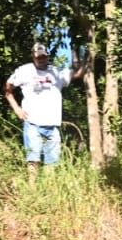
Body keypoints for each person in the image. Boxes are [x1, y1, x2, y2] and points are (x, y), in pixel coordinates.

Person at [5, 43, 86, 181]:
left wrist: (89, 53)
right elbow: (8, 90)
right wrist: (17, 109)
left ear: (47, 56)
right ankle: (32, 188)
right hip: (32, 122)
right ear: (33, 56)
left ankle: (48, 188)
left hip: (52, 124)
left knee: (52, 161)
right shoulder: (24, 71)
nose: (41, 59)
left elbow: (78, 74)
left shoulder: (57, 72)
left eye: (43, 56)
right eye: (38, 57)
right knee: (33, 159)